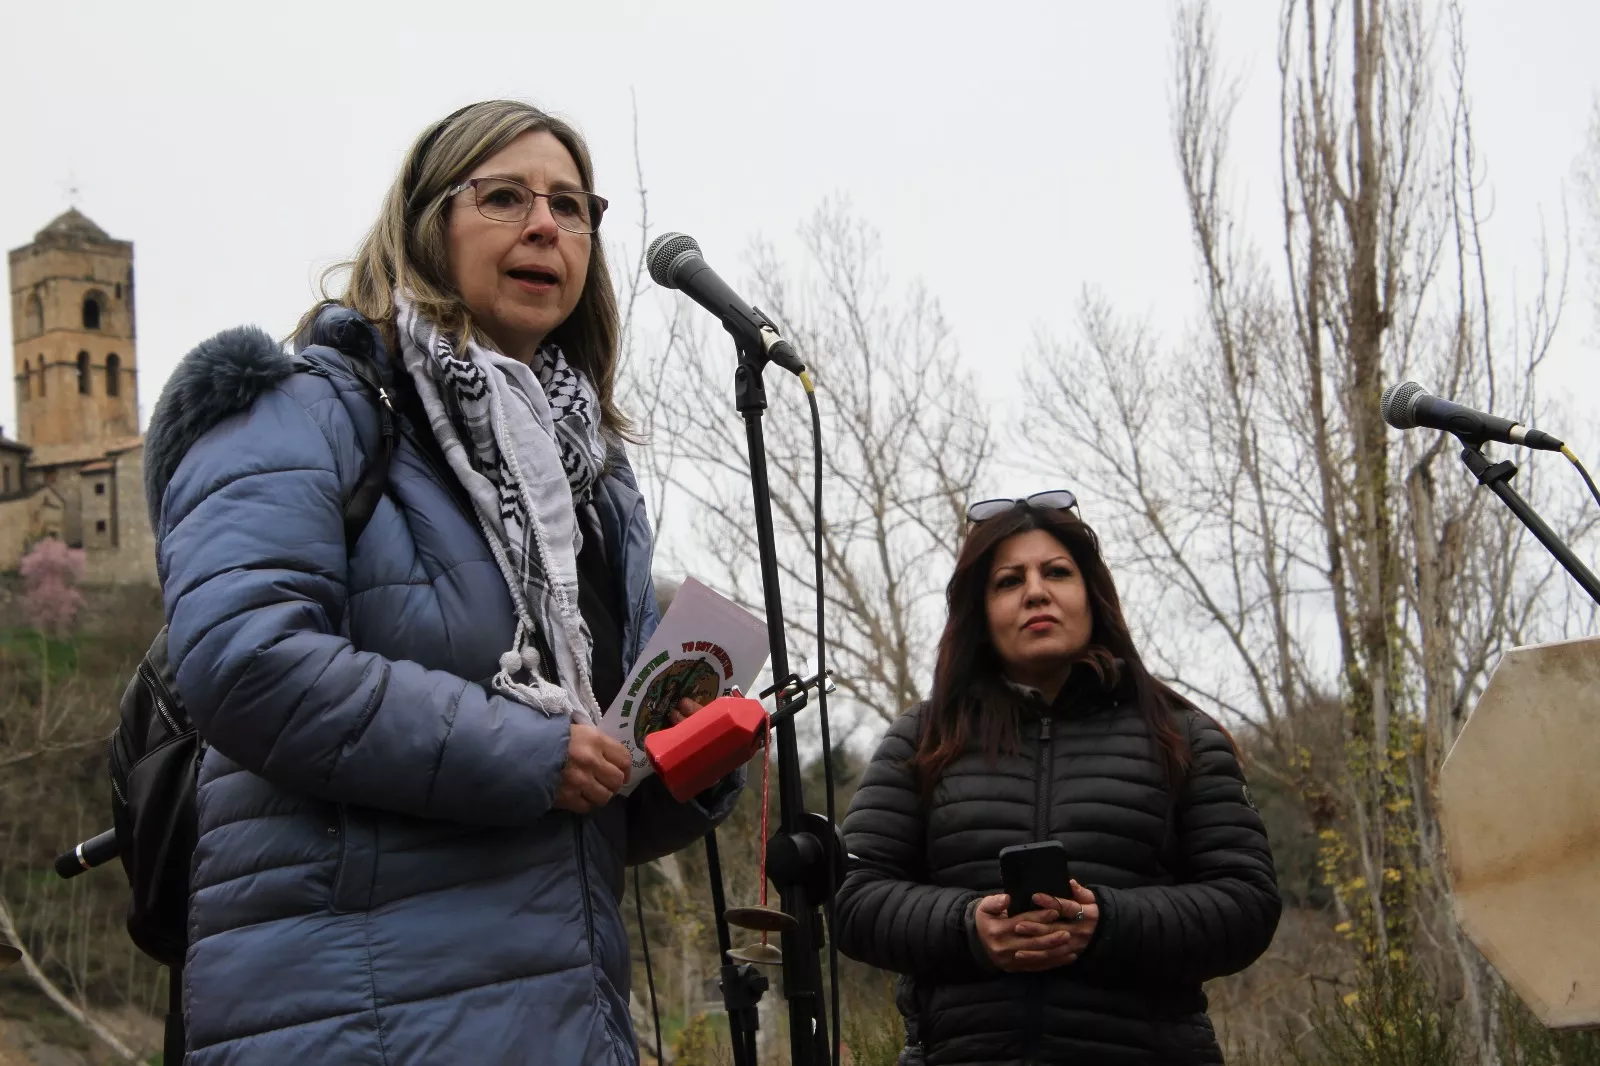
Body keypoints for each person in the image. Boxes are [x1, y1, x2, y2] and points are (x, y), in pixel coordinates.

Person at [142, 100, 741, 1065]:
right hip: (350, 1017)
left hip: (564, 1018)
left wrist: (682, 759)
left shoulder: (593, 484)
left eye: (572, 206)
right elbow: (243, 661)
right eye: (503, 197)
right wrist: (535, 752)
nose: (546, 224)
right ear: (426, 226)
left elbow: (593, 793)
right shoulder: (303, 410)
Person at [834, 491, 1281, 1065]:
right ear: (981, 612)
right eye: (1008, 581)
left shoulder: (1181, 735)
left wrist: (1108, 923)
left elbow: (1247, 903)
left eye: (1056, 572)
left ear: (1091, 596)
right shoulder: (922, 740)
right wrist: (969, 927)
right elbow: (856, 898)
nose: (1036, 592)